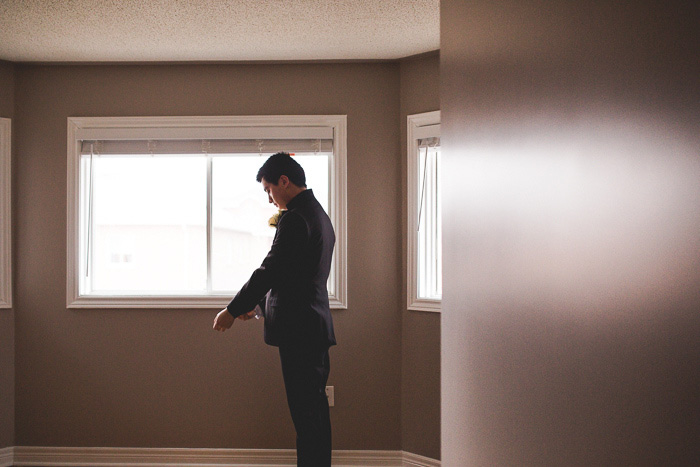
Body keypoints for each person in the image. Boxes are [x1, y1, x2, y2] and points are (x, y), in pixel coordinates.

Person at [213, 152, 336, 467]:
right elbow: (292, 276)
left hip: (300, 332)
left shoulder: (295, 218)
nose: (269, 199)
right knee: (314, 413)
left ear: (284, 181)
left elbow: (270, 270)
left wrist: (232, 309)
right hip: (312, 327)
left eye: (269, 189)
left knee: (306, 415)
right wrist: (257, 306)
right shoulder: (318, 214)